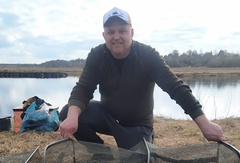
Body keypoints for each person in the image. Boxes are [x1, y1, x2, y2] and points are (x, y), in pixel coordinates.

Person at [60, 7, 224, 150]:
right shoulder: (97, 55)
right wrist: (73, 118)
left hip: (137, 126)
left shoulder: (147, 55)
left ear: (131, 32)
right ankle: (99, 154)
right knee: (69, 111)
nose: (116, 36)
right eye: (111, 32)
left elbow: (176, 88)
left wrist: (204, 123)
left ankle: (140, 147)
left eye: (122, 31)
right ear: (104, 35)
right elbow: (83, 88)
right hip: (107, 117)